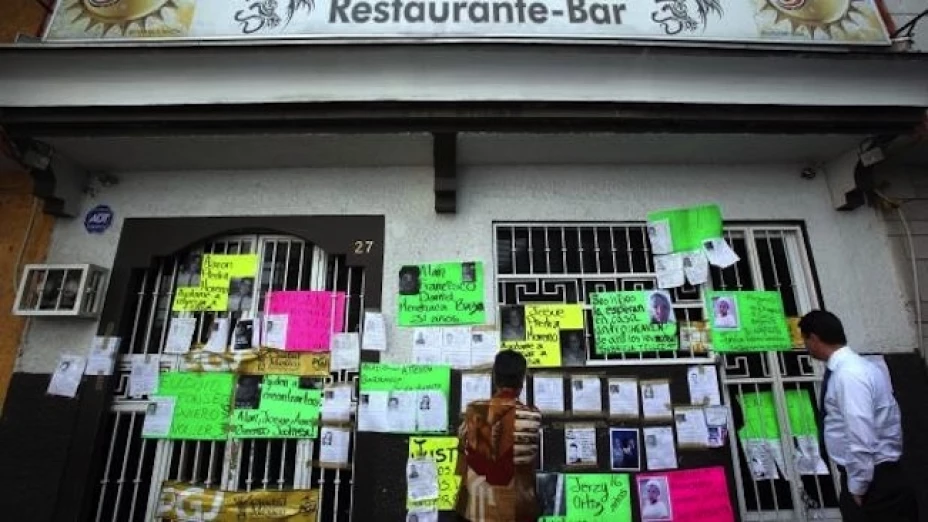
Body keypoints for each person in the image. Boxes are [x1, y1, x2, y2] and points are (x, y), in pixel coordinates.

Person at [799, 310, 917, 522]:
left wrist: (858, 486)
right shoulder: (859, 368)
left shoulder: (849, 375)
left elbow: (860, 432)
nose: (806, 347)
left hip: (874, 483)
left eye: (805, 340)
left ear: (814, 339)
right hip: (877, 477)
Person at [456, 350, 541, 522]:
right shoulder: (533, 416)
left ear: (495, 377)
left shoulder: (475, 411)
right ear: (522, 381)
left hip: (477, 508)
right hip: (518, 508)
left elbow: (463, 447)